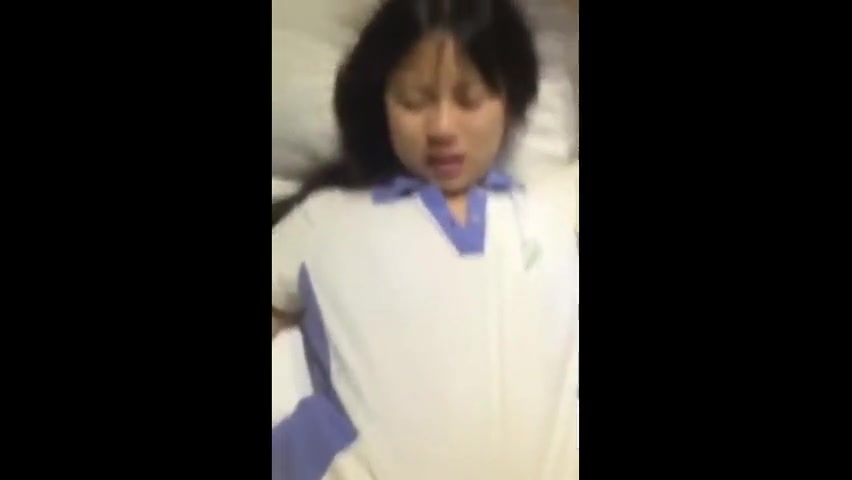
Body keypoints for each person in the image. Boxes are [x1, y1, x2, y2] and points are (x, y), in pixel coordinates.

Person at [271, 0, 578, 478]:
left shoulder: (549, 222)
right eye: (414, 101)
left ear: (510, 101)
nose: (441, 128)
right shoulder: (327, 220)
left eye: (470, 99)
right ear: (380, 103)